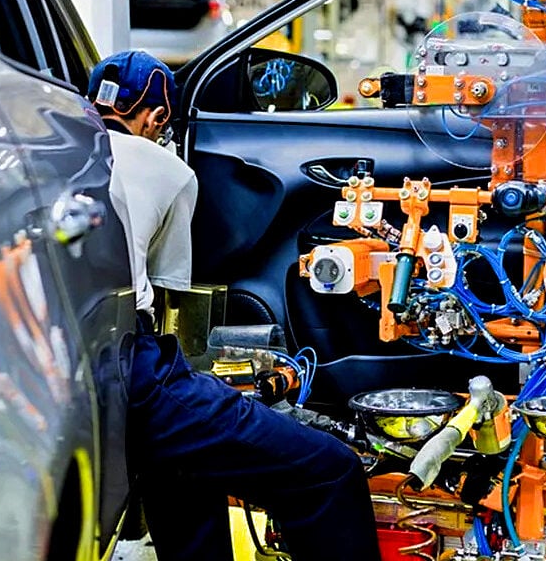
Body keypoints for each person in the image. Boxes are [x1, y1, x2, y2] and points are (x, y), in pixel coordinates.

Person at [90, 50, 383, 561]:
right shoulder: (167, 168)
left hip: (73, 371)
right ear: (159, 119)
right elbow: (168, 294)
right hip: (131, 371)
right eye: (163, 126)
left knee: (186, 466)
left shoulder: (55, 151)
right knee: (330, 472)